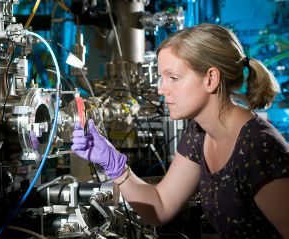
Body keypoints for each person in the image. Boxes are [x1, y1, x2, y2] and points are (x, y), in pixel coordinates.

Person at [71, 23, 289, 238]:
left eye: (173, 77)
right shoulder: (199, 133)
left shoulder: (258, 146)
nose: (160, 89)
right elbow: (161, 206)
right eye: (161, 77)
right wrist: (115, 166)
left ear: (210, 79)